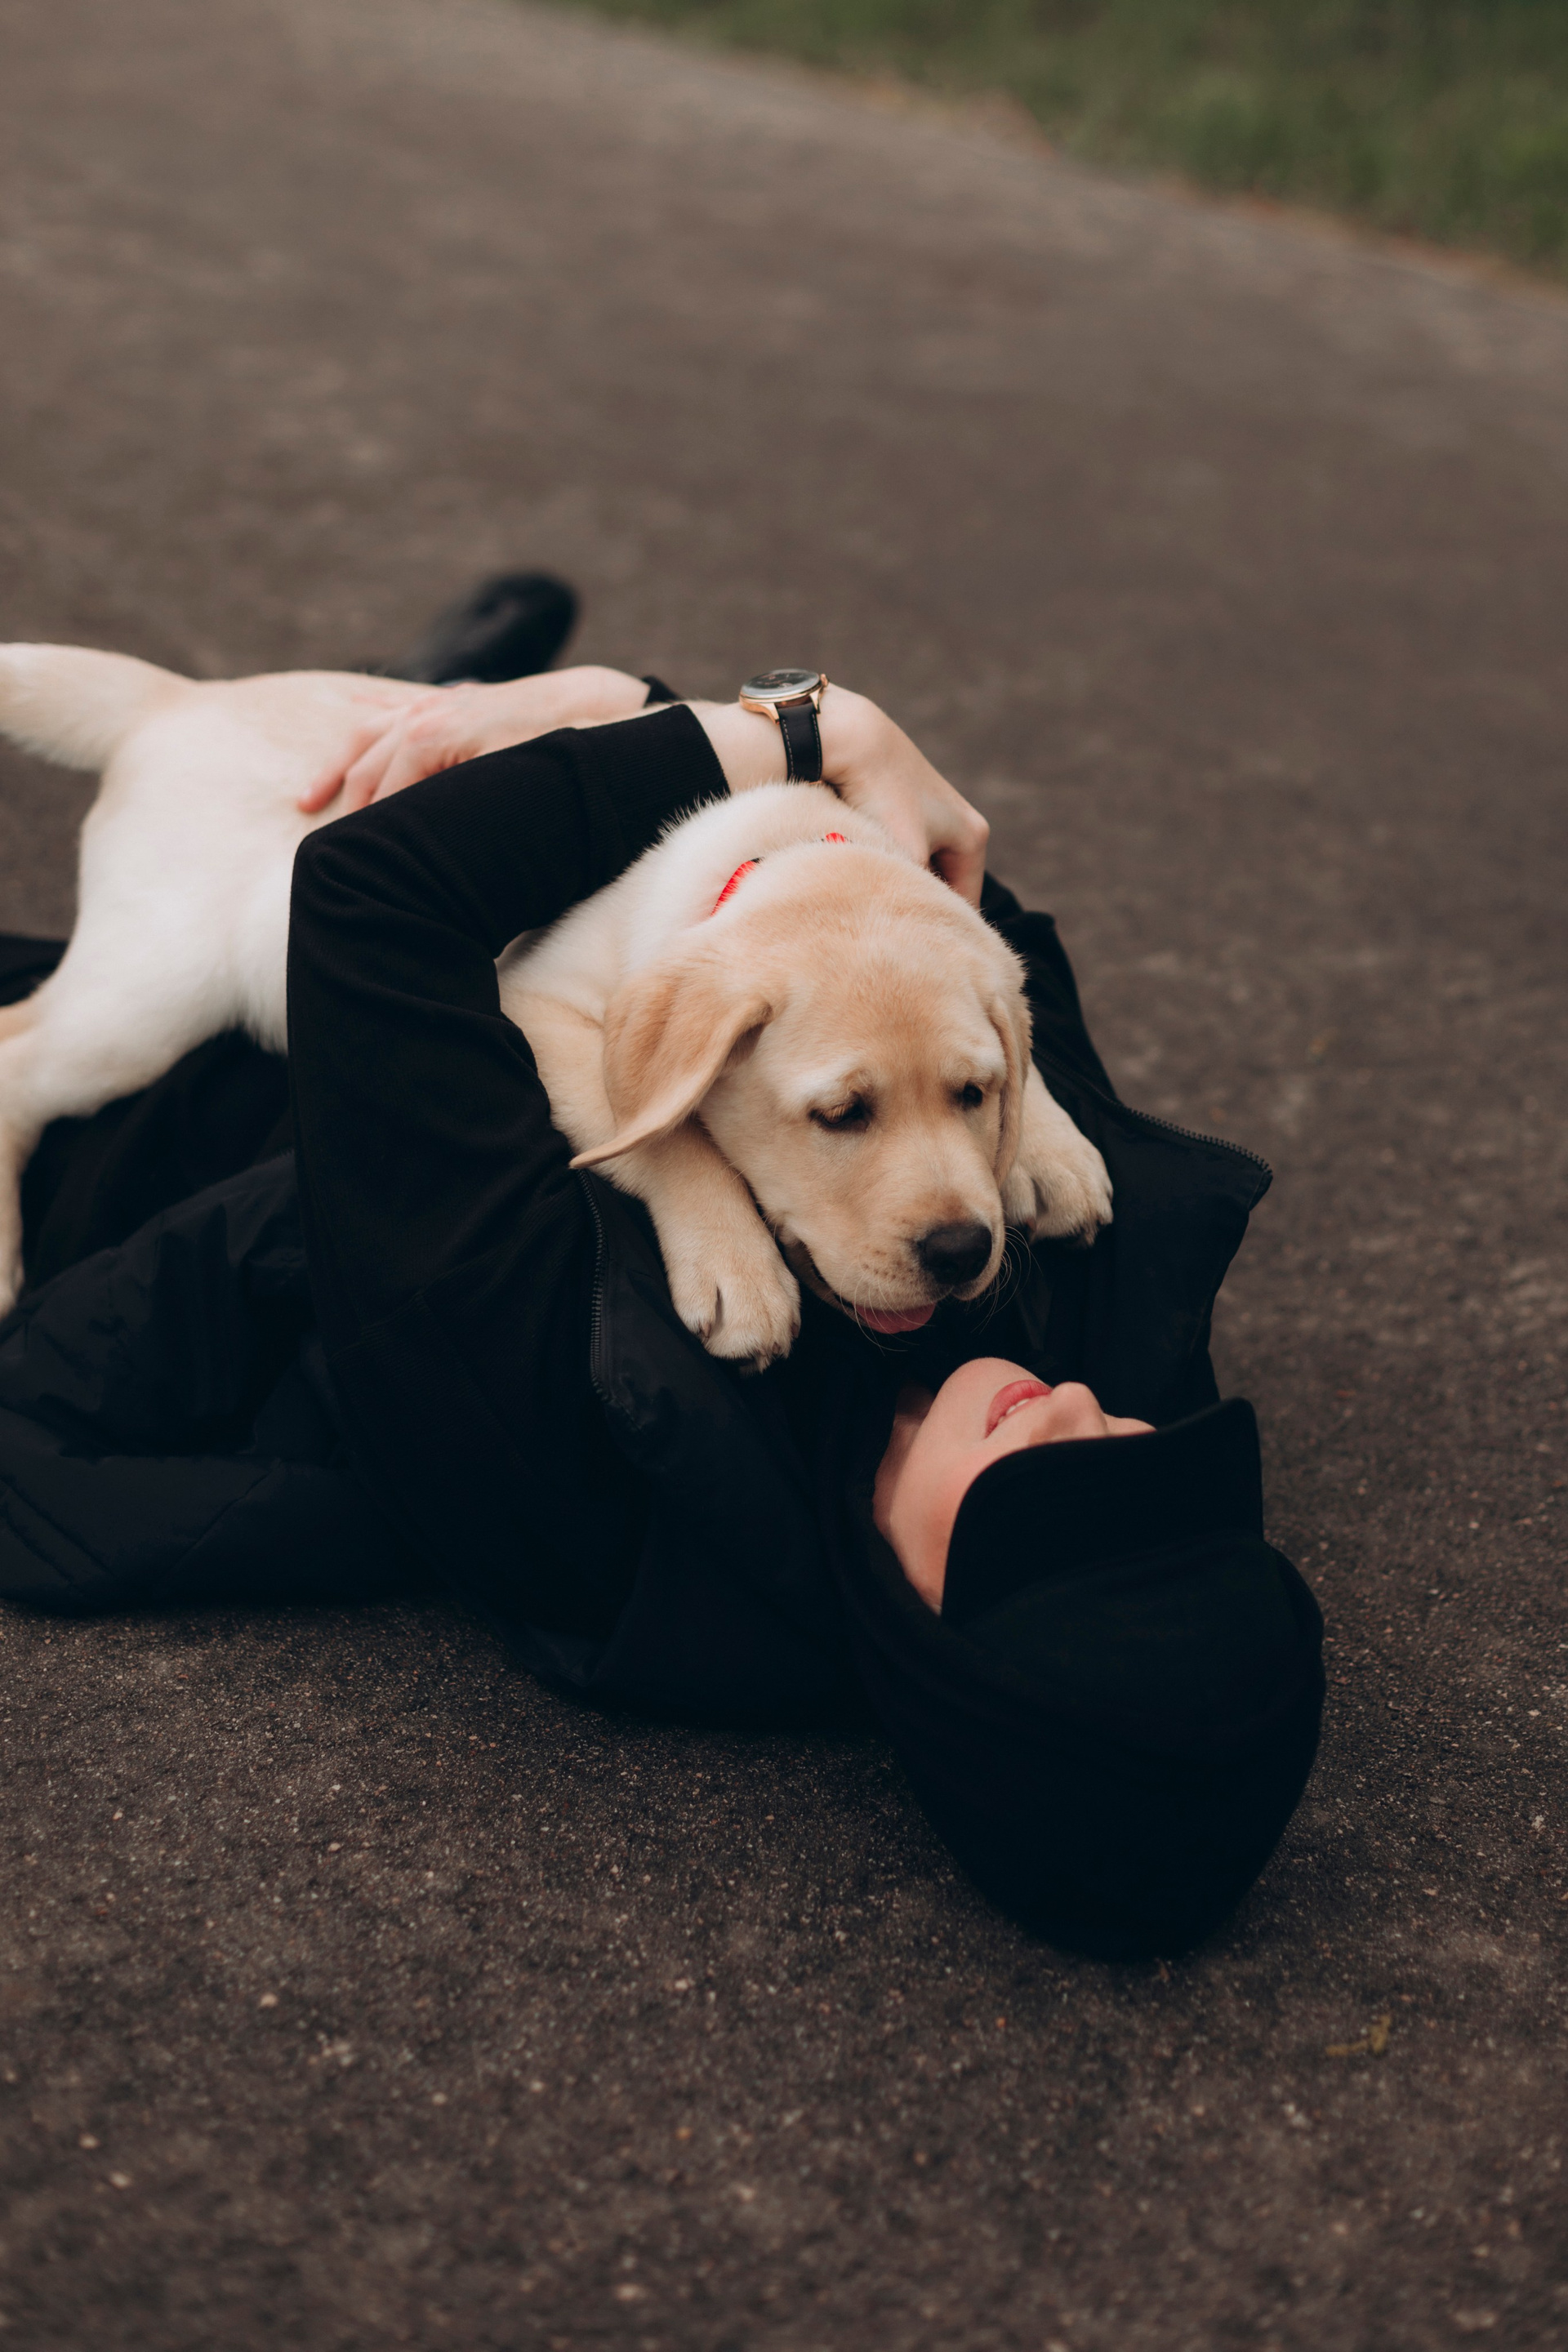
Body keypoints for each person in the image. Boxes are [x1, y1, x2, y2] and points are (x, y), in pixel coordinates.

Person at [0, 584, 1324, 1961]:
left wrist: (799, 726)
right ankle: (440, 694)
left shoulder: (582, 1454)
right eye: (1142, 1449)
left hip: (247, 1075)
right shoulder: (1098, 1312)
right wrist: (612, 709)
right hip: (539, 919)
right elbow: (939, 918)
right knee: (482, 736)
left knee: (198, 923)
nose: (1081, 1411)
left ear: (934, 1633)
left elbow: (373, 898)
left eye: (1056, 1496)